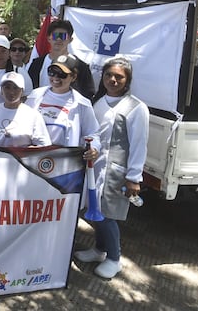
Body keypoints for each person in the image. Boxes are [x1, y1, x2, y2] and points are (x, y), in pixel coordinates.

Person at [74, 56, 149, 280]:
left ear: (127, 81)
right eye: (109, 75)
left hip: (116, 171)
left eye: (119, 77)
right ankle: (99, 249)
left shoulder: (136, 107)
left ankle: (114, 259)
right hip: (95, 167)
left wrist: (134, 177)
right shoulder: (98, 101)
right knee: (95, 211)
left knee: (107, 216)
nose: (113, 80)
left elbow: (139, 144)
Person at [25, 54, 101, 151]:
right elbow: (22, 124)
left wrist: (94, 148)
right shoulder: (34, 96)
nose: (56, 77)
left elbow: (92, 133)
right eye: (52, 72)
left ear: (73, 77)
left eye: (62, 74)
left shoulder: (82, 104)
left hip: (64, 157)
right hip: (35, 155)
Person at [27, 19, 96, 100]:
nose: (59, 39)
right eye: (56, 35)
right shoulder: (37, 64)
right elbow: (29, 90)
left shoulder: (81, 67)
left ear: (70, 39)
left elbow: (87, 95)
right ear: (48, 38)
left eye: (63, 36)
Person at [0, 71, 50, 147]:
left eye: (15, 88)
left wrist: (27, 151)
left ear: (22, 91)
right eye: (7, 87)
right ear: (1, 90)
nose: (11, 92)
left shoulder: (33, 115)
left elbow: (44, 145)